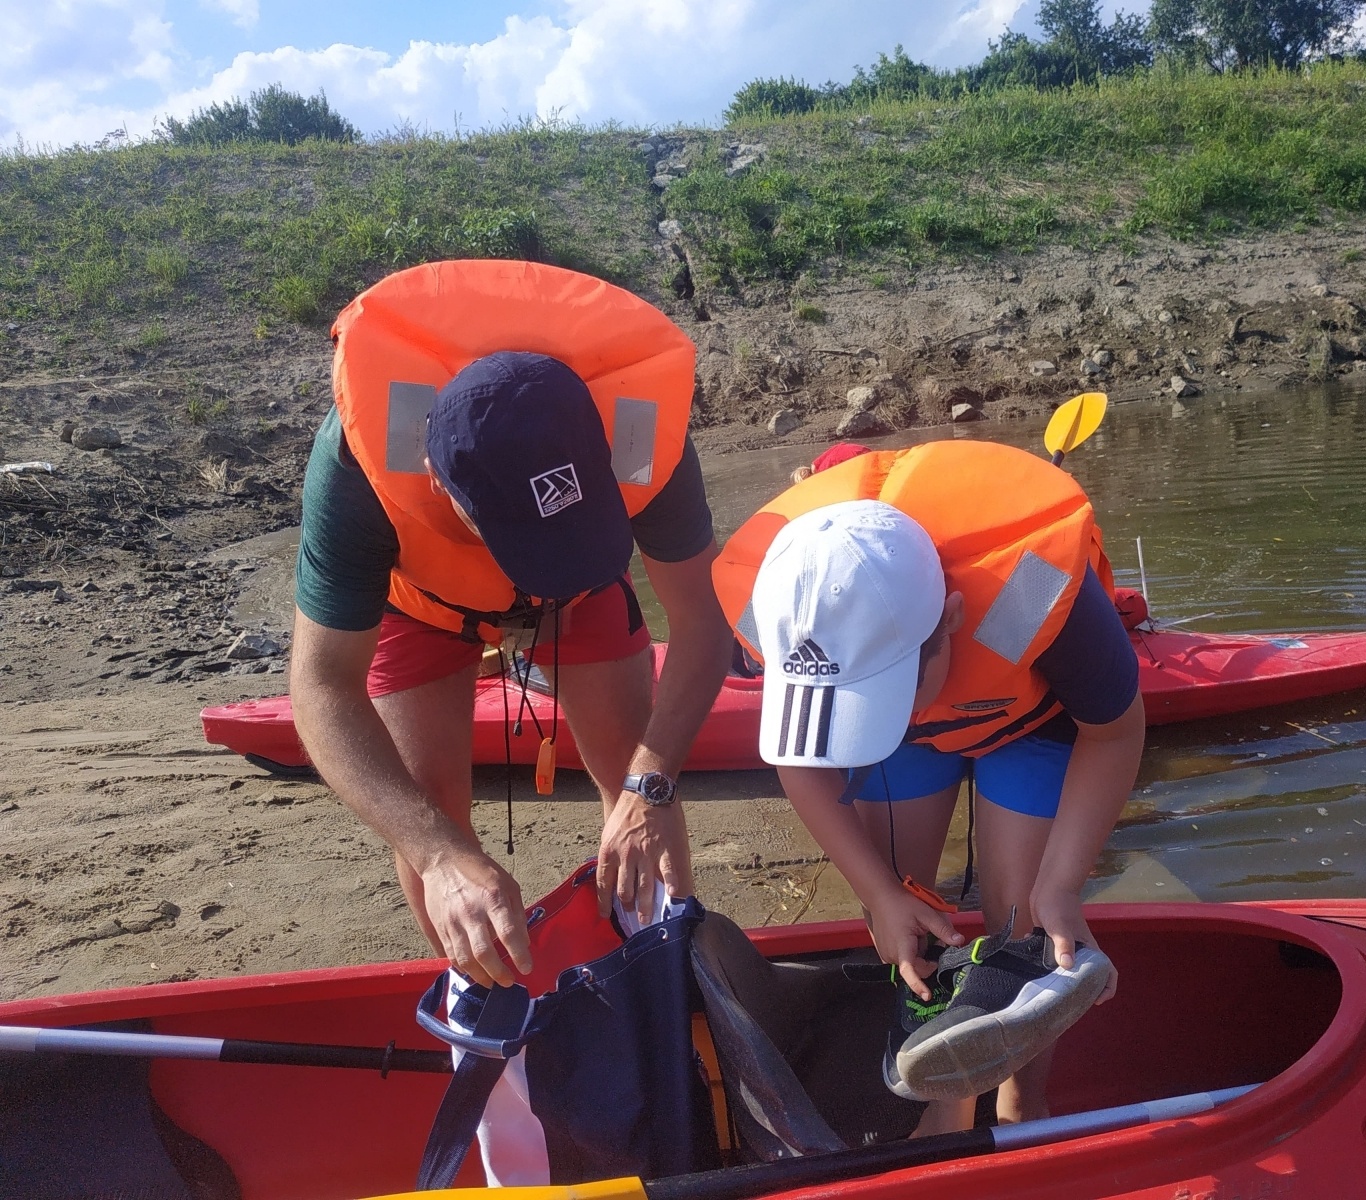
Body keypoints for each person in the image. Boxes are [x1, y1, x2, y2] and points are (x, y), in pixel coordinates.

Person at [289, 261, 733, 990]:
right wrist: (436, 854)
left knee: (633, 764)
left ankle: (668, 976)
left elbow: (703, 622)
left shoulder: (641, 433)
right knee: (427, 804)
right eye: (524, 544)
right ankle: (491, 1002)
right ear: (439, 483)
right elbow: (321, 685)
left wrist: (649, 784)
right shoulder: (358, 473)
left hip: (581, 589)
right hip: (422, 599)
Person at [711, 439, 1144, 1132]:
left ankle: (1021, 1102)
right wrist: (878, 895)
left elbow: (1116, 731)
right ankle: (943, 1084)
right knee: (903, 901)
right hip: (908, 743)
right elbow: (798, 757)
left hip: (1030, 714)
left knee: (1023, 918)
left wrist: (1062, 885)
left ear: (950, 617)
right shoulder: (785, 603)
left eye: (892, 692)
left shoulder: (1032, 588)